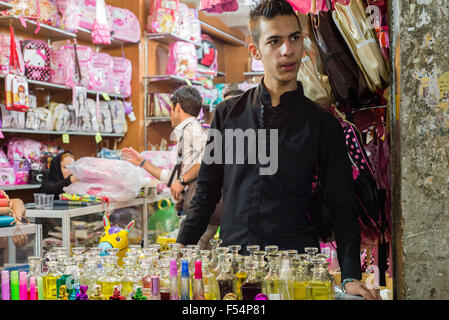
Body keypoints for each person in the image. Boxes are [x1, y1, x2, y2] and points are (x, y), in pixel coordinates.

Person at [176, 0, 380, 300]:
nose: (288, 50)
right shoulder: (227, 114)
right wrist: (181, 247)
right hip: (234, 269)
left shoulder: (322, 124)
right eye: (274, 41)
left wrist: (350, 275)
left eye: (294, 38)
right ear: (255, 51)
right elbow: (206, 190)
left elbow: (342, 206)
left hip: (295, 272)